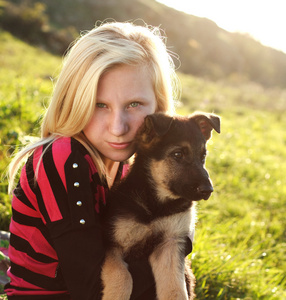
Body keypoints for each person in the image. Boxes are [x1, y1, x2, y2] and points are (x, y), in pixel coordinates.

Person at [5, 21, 191, 299]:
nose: (118, 127)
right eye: (99, 105)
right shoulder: (63, 157)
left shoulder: (126, 161)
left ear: (159, 107)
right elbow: (90, 287)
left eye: (134, 104)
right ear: (74, 102)